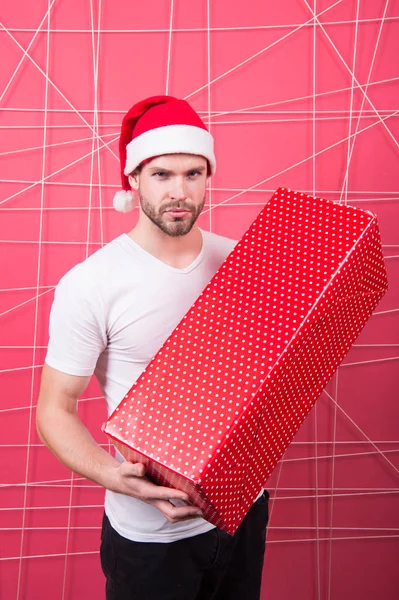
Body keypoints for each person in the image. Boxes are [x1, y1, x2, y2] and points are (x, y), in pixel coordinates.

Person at [36, 95, 269, 600]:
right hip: (152, 536)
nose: (179, 191)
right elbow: (54, 410)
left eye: (193, 173)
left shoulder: (241, 262)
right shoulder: (92, 283)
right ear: (134, 178)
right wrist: (116, 478)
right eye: (162, 174)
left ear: (209, 176)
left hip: (244, 510)